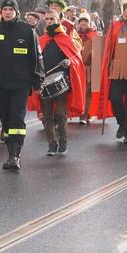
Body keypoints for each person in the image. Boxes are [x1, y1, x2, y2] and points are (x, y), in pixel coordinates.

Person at [0, 0, 44, 170]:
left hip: (20, 84)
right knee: (6, 119)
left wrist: (38, 81)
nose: (7, 12)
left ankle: (14, 155)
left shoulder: (27, 31)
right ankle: (10, 149)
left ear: (16, 12)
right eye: (5, 9)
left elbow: (36, 59)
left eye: (10, 9)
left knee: (17, 118)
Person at [90, 0, 127, 144]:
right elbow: (108, 48)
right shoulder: (114, 26)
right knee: (114, 99)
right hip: (116, 69)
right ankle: (121, 123)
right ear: (122, 10)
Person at [32, 9, 85, 155]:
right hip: (44, 83)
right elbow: (35, 60)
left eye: (52, 19)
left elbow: (76, 58)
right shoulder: (42, 39)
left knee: (61, 114)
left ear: (58, 20)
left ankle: (63, 141)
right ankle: (51, 143)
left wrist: (70, 62)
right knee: (47, 116)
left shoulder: (66, 39)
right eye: (47, 19)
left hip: (62, 83)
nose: (49, 21)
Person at [77, 10, 97, 124]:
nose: (83, 23)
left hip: (89, 69)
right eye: (81, 21)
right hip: (78, 68)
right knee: (79, 92)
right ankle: (80, 112)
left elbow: (98, 54)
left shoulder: (94, 36)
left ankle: (85, 115)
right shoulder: (75, 36)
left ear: (89, 23)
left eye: (85, 21)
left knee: (88, 92)